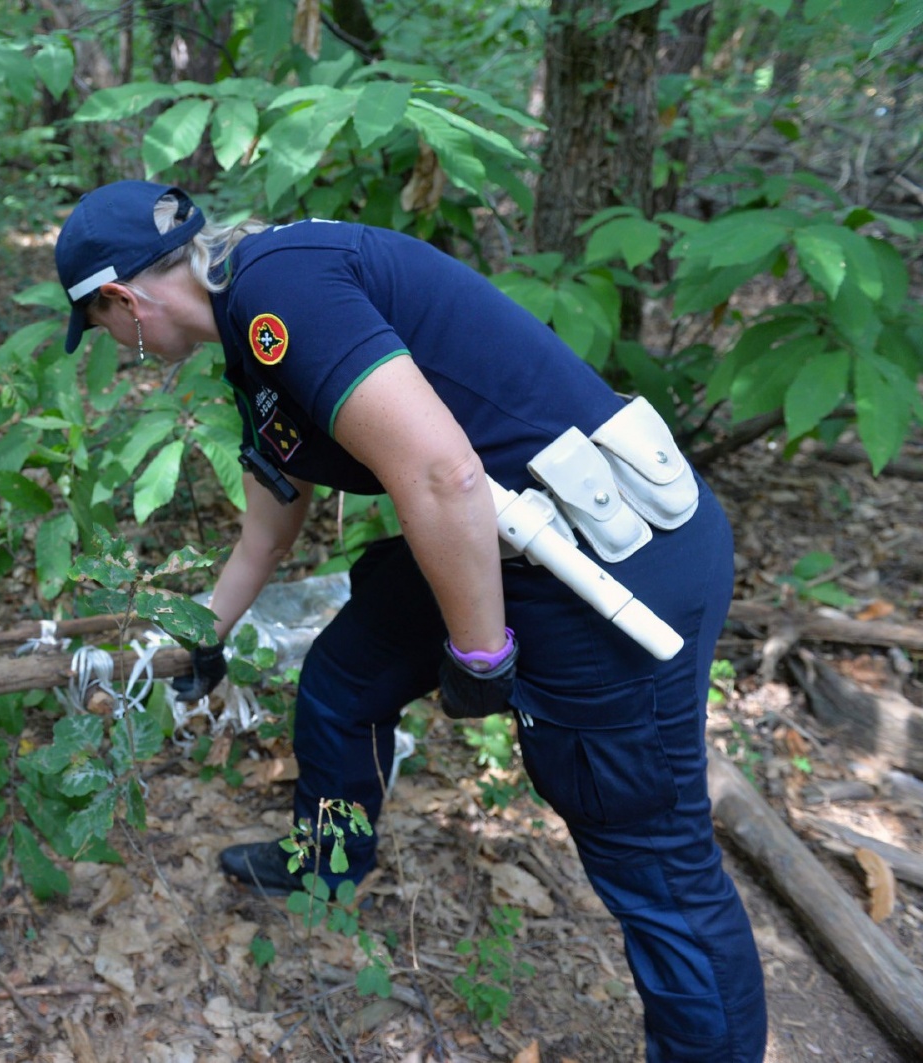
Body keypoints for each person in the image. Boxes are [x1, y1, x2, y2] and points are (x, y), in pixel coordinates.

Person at [53, 180, 768, 1062]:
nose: (118, 348)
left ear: (123, 298)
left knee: (655, 862)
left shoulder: (283, 288)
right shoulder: (252, 333)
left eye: (102, 327)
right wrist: (202, 632)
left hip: (613, 567)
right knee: (346, 676)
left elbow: (444, 476)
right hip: (502, 550)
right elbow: (269, 528)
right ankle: (328, 859)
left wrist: (480, 653)